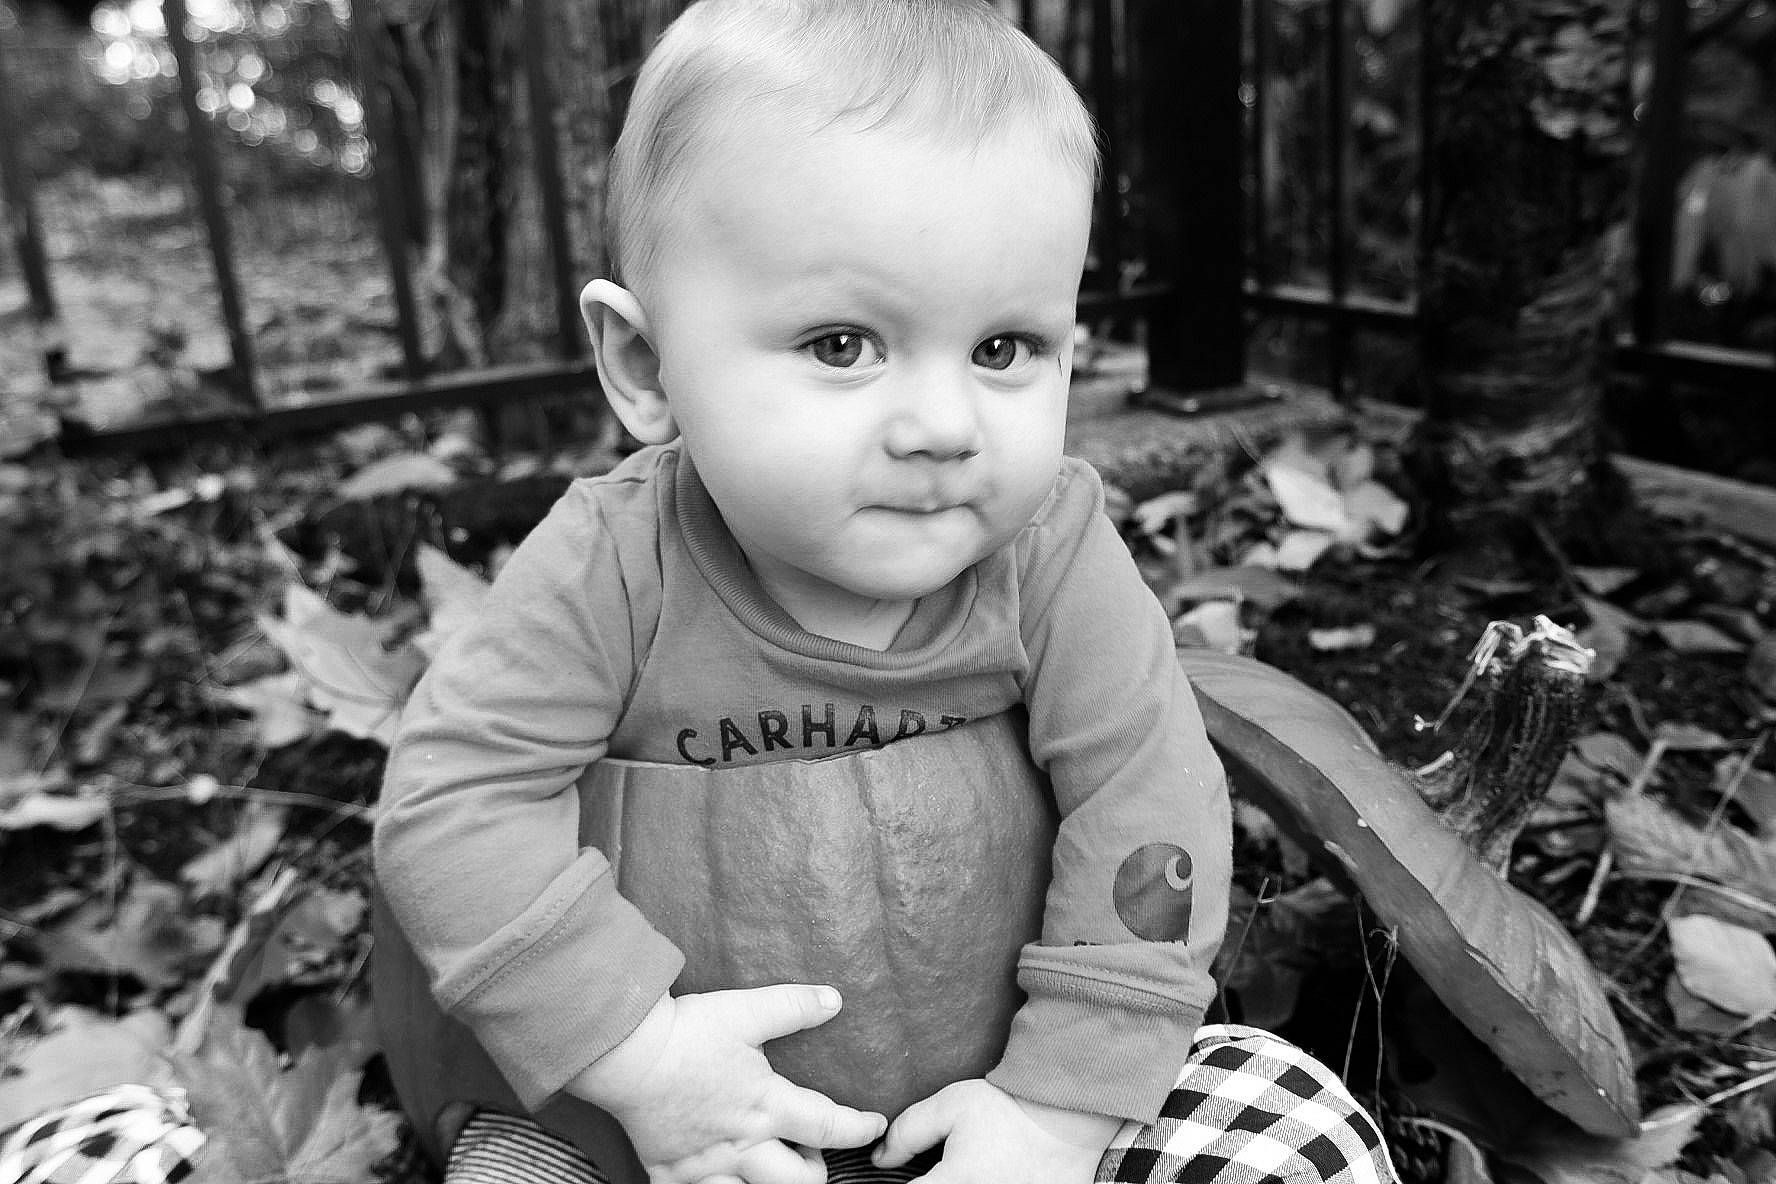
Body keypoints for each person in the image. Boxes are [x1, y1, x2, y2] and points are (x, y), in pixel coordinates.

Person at [372, 2, 1401, 1183]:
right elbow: (453, 802)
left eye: (1006, 348)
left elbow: (1148, 803)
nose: (945, 427)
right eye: (843, 344)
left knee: (1295, 1124)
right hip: (672, 1131)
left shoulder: (1052, 552)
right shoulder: (614, 566)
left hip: (1010, 1095)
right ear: (645, 367)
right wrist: (640, 1052)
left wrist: (1058, 1111)